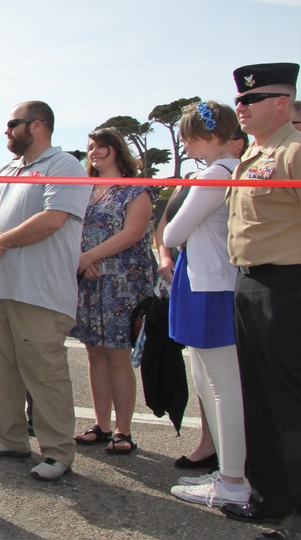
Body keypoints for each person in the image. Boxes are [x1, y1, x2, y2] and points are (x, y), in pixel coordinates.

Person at [0, 101, 91, 482]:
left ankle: (57, 451)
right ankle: (10, 439)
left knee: (44, 372)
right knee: (1, 368)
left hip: (39, 292)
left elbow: (53, 219)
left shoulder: (64, 165)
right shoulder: (6, 170)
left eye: (12, 124)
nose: (6, 131)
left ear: (37, 126)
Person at [221, 62, 301, 539]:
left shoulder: (293, 151)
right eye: (238, 100)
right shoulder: (255, 153)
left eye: (249, 100)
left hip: (287, 287)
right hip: (250, 285)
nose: (240, 108)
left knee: (290, 404)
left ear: (281, 102)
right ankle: (272, 498)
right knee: (260, 402)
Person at [160, 101, 249, 507]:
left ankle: (234, 479)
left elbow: (173, 233)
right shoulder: (226, 169)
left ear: (209, 135)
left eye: (190, 134)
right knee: (210, 382)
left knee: (222, 385)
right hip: (207, 280)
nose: (185, 142)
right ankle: (230, 472)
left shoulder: (217, 173)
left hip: (212, 284)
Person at [71, 128, 156, 455]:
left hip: (123, 284)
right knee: (94, 354)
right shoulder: (84, 189)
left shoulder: (135, 190)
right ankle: (102, 424)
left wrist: (89, 256)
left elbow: (133, 233)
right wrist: (83, 261)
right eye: (90, 146)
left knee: (118, 356)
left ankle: (123, 430)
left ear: (116, 149)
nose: (94, 152)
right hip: (89, 280)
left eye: (101, 146)